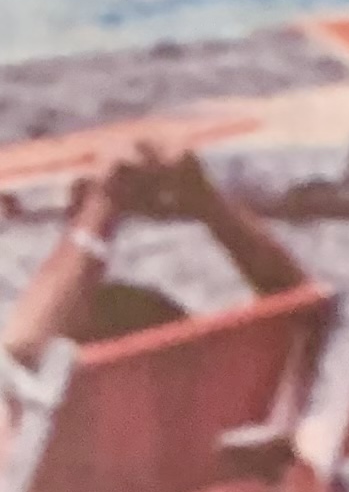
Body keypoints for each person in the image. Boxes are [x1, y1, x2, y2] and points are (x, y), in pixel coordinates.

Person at [2, 148, 308, 381]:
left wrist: (99, 210)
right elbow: (306, 314)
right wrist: (208, 204)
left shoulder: (74, 431)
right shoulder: (213, 398)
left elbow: (21, 353)